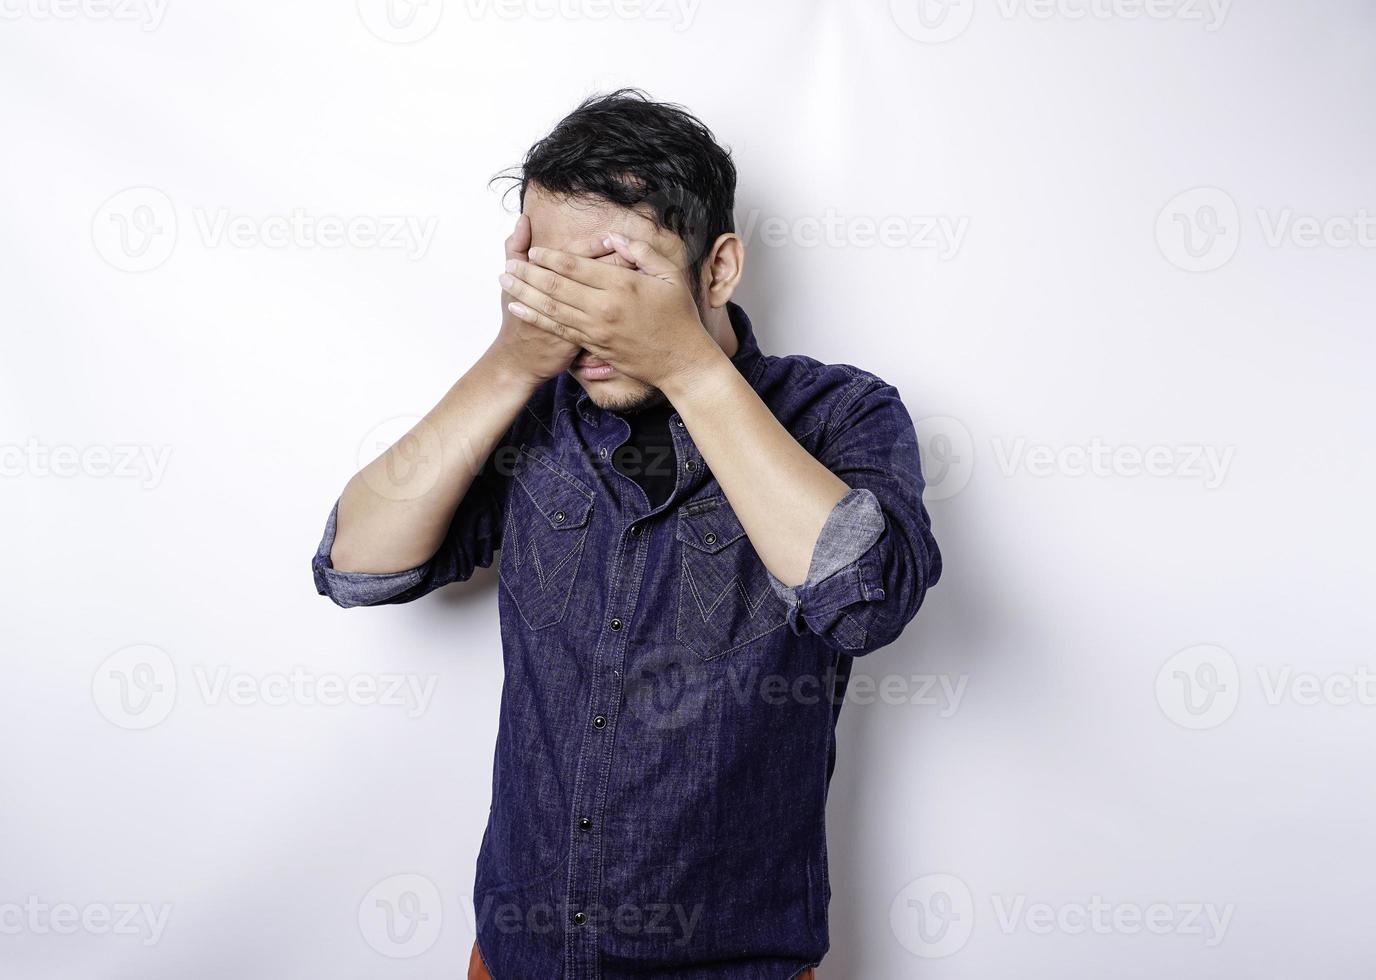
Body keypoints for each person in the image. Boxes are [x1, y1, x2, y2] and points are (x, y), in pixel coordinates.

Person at [312, 89, 942, 980]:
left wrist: (682, 360)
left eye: (617, 272)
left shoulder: (841, 411)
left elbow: (863, 600)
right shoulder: (532, 411)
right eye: (555, 276)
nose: (587, 311)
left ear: (716, 270)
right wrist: (512, 361)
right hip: (519, 956)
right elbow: (356, 563)